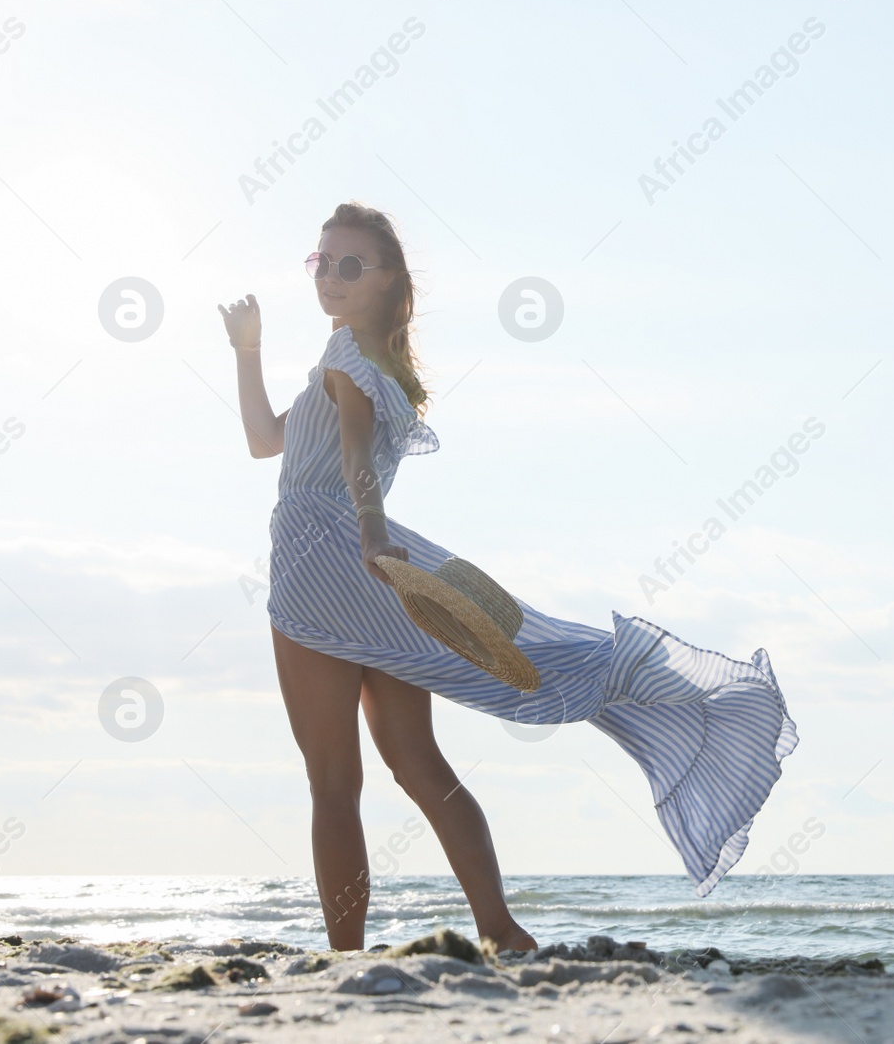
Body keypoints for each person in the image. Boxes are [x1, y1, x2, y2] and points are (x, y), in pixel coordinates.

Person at [218, 201, 797, 952]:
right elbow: (268, 439)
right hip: (380, 569)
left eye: (349, 265)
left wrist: (367, 534)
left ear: (388, 282)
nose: (329, 276)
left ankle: (346, 956)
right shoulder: (376, 367)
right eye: (320, 262)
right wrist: (248, 349)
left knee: (334, 784)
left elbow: (356, 463)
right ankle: (499, 926)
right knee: (419, 765)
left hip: (320, 564)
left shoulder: (345, 361)